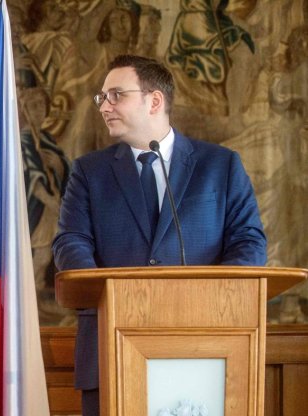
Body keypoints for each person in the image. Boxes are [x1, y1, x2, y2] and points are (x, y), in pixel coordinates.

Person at [51, 54, 266, 416]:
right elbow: (70, 242)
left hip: (206, 347)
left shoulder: (221, 165)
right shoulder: (89, 172)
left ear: (154, 101)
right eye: (102, 97)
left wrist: (213, 301)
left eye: (116, 94)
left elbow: (250, 242)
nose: (105, 106)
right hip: (110, 347)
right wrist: (109, 295)